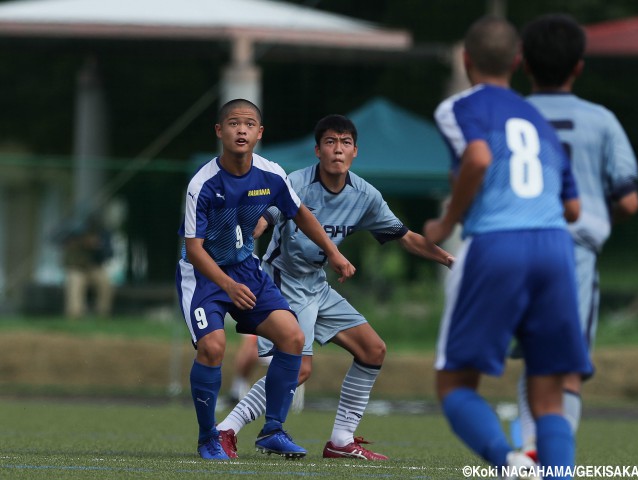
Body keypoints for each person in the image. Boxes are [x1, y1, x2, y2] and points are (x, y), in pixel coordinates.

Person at [215, 114, 454, 460]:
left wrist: (448, 260)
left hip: (317, 286)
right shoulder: (295, 183)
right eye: (330, 142)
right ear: (317, 150)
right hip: (283, 283)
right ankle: (227, 429)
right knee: (298, 369)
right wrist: (242, 238)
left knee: (373, 350)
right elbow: (261, 221)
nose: (337, 150)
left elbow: (406, 237)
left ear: (355, 151)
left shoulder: (365, 195)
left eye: (345, 143)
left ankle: (341, 440)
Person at [423, 16, 592, 479]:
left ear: (466, 60)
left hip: (499, 243)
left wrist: (445, 223)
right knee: (549, 396)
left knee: (454, 383)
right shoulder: (538, 118)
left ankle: (510, 464)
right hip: (556, 247)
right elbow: (573, 207)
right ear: (517, 62)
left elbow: (477, 157)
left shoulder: (457, 107)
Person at [175, 99, 355, 460]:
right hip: (205, 275)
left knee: (292, 337)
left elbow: (301, 214)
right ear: (219, 131)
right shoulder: (203, 182)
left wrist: (334, 254)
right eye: (233, 123)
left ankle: (273, 429)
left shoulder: (271, 173)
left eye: (249, 124)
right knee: (213, 347)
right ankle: (208, 437)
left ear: (259, 133)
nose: (241, 130)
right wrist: (226, 286)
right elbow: (194, 249)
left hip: (246, 270)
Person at [513, 13, 638, 458]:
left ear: (524, 63)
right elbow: (628, 201)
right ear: (579, 66)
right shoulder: (601, 120)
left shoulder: (509, 116)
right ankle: (547, 458)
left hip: (513, 249)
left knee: (531, 356)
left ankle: (528, 446)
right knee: (564, 366)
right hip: (572, 254)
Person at [61, 213, 114, 319]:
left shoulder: (103, 235)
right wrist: (77, 242)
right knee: (74, 283)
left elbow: (109, 254)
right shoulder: (74, 234)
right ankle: (74, 315)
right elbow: (65, 255)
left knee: (105, 283)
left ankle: (102, 314)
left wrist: (97, 246)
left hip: (94, 268)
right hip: (77, 268)